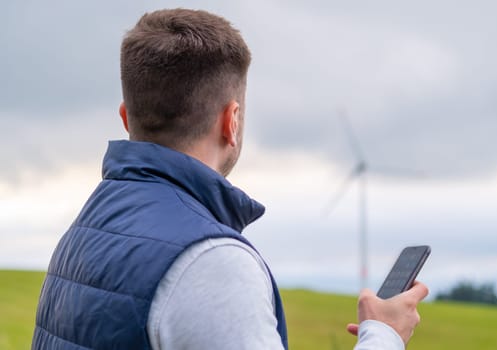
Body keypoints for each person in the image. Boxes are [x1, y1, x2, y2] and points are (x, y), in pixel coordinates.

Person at [32, 8, 428, 350]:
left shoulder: (84, 232)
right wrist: (385, 335)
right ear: (231, 121)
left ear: (125, 117)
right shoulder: (210, 261)